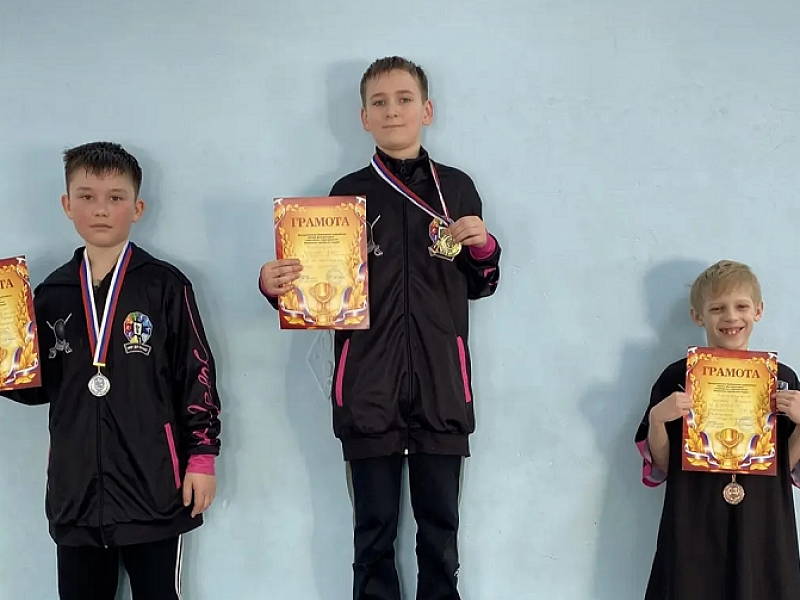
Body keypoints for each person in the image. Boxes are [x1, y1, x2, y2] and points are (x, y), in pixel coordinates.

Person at [260, 56, 501, 600]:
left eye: (404, 99)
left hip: (442, 391)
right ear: (363, 117)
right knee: (372, 536)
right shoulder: (345, 194)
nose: (393, 110)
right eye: (379, 102)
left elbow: (482, 283)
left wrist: (483, 247)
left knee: (441, 535)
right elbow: (317, 296)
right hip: (367, 392)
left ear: (427, 110)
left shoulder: (456, 189)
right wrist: (277, 286)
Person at [1, 141, 221, 600]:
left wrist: (201, 457)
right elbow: (38, 388)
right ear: (67, 205)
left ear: (137, 208)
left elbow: (196, 374)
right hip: (75, 495)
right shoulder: (51, 293)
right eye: (86, 196)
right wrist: (5, 364)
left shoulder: (165, 284)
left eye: (115, 197)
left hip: (155, 489)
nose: (100, 209)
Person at [635, 260, 800, 600]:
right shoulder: (676, 377)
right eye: (717, 308)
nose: (731, 317)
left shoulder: (782, 379)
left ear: (758, 311)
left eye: (741, 306)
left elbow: (785, 463)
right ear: (698, 316)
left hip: (763, 521)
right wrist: (657, 420)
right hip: (693, 516)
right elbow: (663, 464)